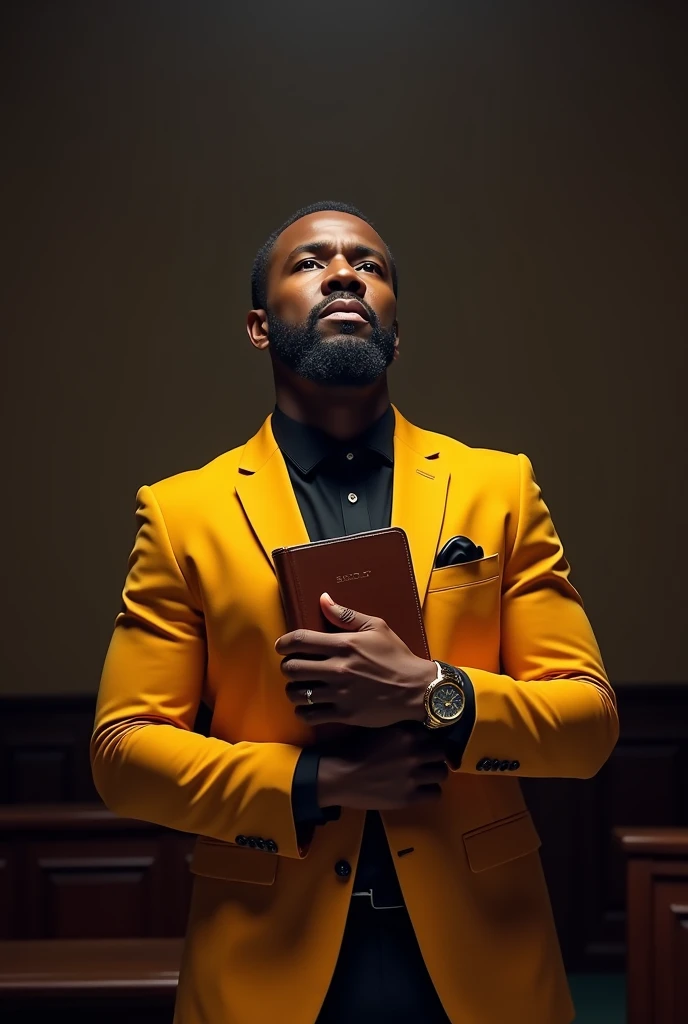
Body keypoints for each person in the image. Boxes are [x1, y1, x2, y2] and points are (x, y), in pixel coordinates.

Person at [91, 200, 619, 1024]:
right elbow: (122, 755)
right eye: (309, 263)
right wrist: (314, 782)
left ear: (395, 333)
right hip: (267, 962)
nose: (343, 272)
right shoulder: (180, 513)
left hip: (483, 961)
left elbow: (588, 726)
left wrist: (431, 692)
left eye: (368, 266)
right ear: (260, 328)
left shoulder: (498, 487)